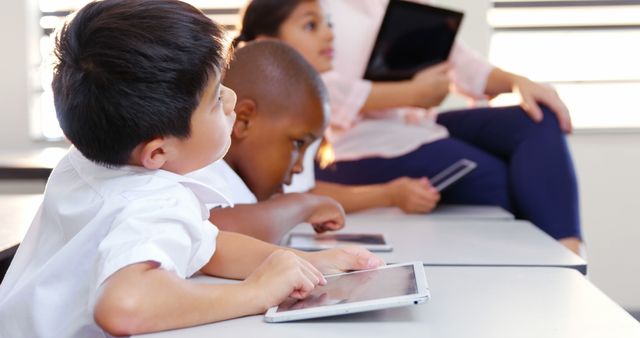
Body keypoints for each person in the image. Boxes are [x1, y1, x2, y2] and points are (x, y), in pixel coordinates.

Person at [0, 1, 384, 337]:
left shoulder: (83, 164)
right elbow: (123, 307)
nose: (232, 100)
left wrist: (308, 265)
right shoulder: (154, 203)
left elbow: (205, 244)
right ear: (157, 151)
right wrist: (254, 293)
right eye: (216, 98)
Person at [234, 0, 582, 254]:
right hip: (371, 141)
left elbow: (465, 64)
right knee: (504, 181)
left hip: (418, 125)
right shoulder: (290, 64)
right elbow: (322, 92)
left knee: (536, 121)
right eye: (316, 26)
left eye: (327, 25)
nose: (329, 35)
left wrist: (517, 80)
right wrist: (410, 93)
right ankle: (552, 270)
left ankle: (569, 256)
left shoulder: (390, 9)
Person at [188, 40, 346, 243]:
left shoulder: (240, 187)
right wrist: (302, 205)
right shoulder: (202, 169)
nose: (299, 167)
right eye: (298, 143)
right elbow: (217, 233)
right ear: (244, 121)